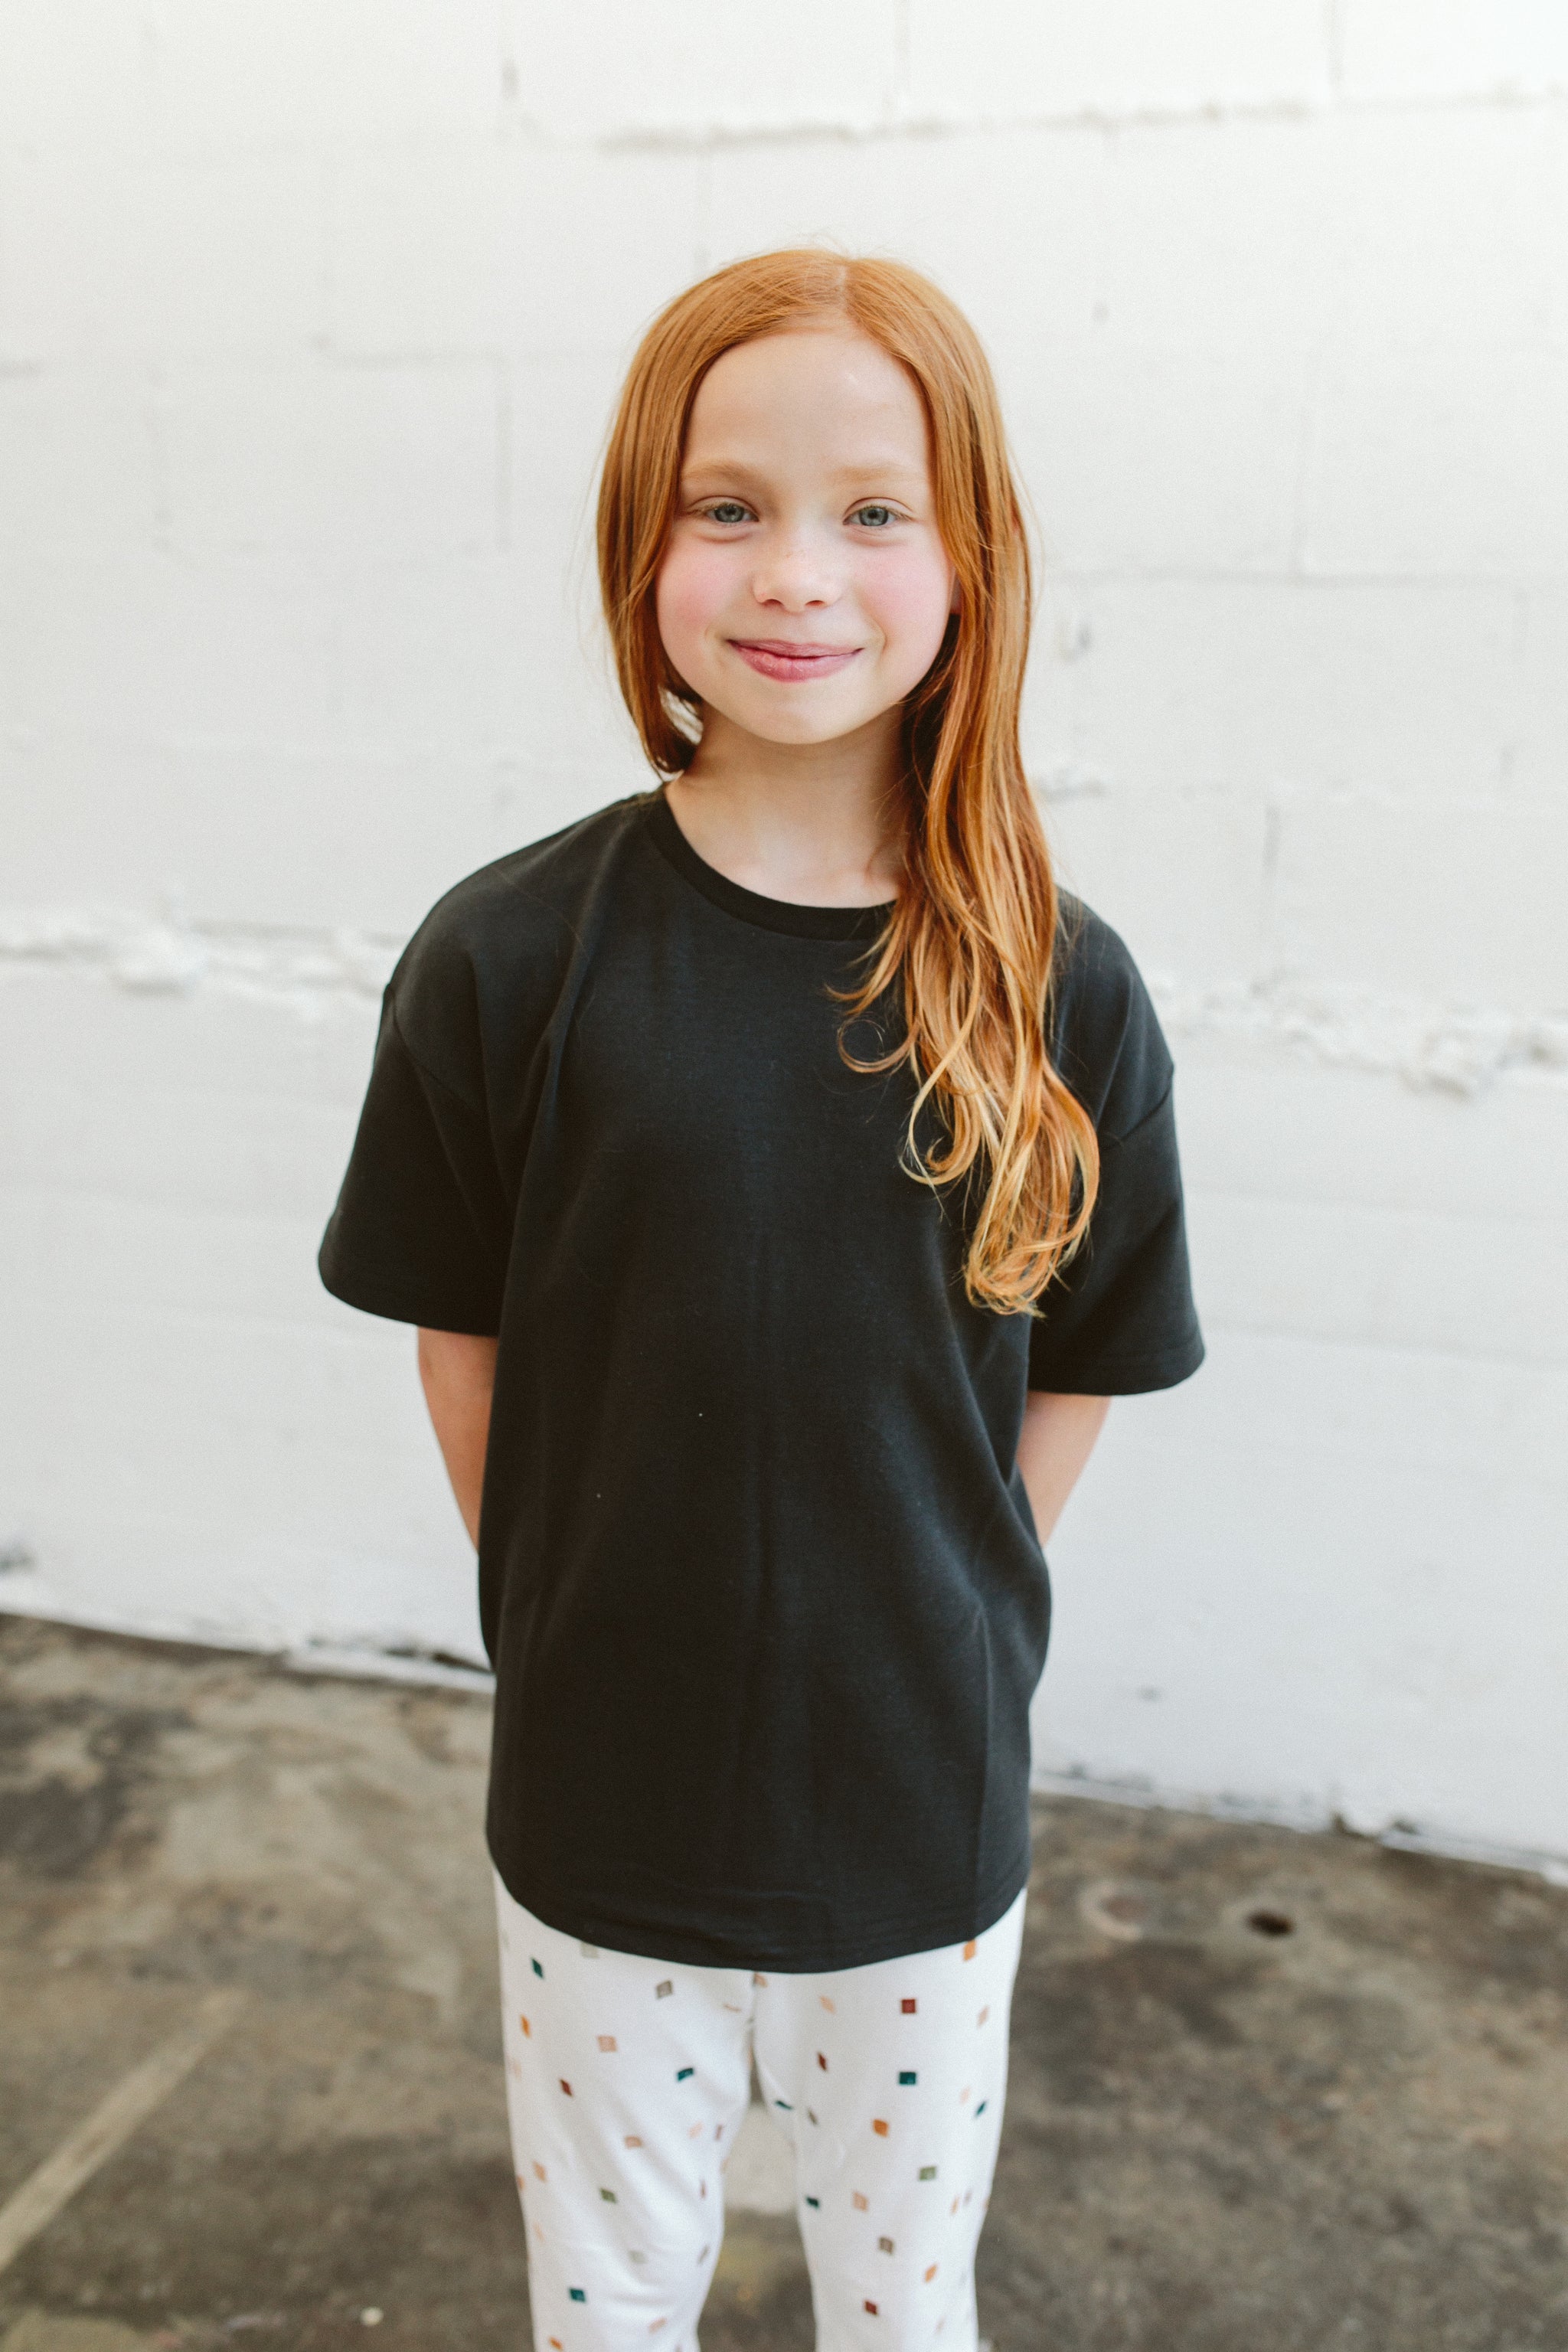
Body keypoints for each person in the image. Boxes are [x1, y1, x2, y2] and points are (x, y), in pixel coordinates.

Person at [318, 248, 1204, 2352]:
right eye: (729, 506)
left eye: (873, 508)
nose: (797, 569)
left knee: (899, 2308)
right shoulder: (506, 958)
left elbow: (1082, 1358)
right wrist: (564, 1600)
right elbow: (465, 1328)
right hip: (601, 1817)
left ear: (971, 557)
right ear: (644, 545)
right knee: (611, 2301)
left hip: (918, 1821)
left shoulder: (1059, 985)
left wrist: (945, 1604)